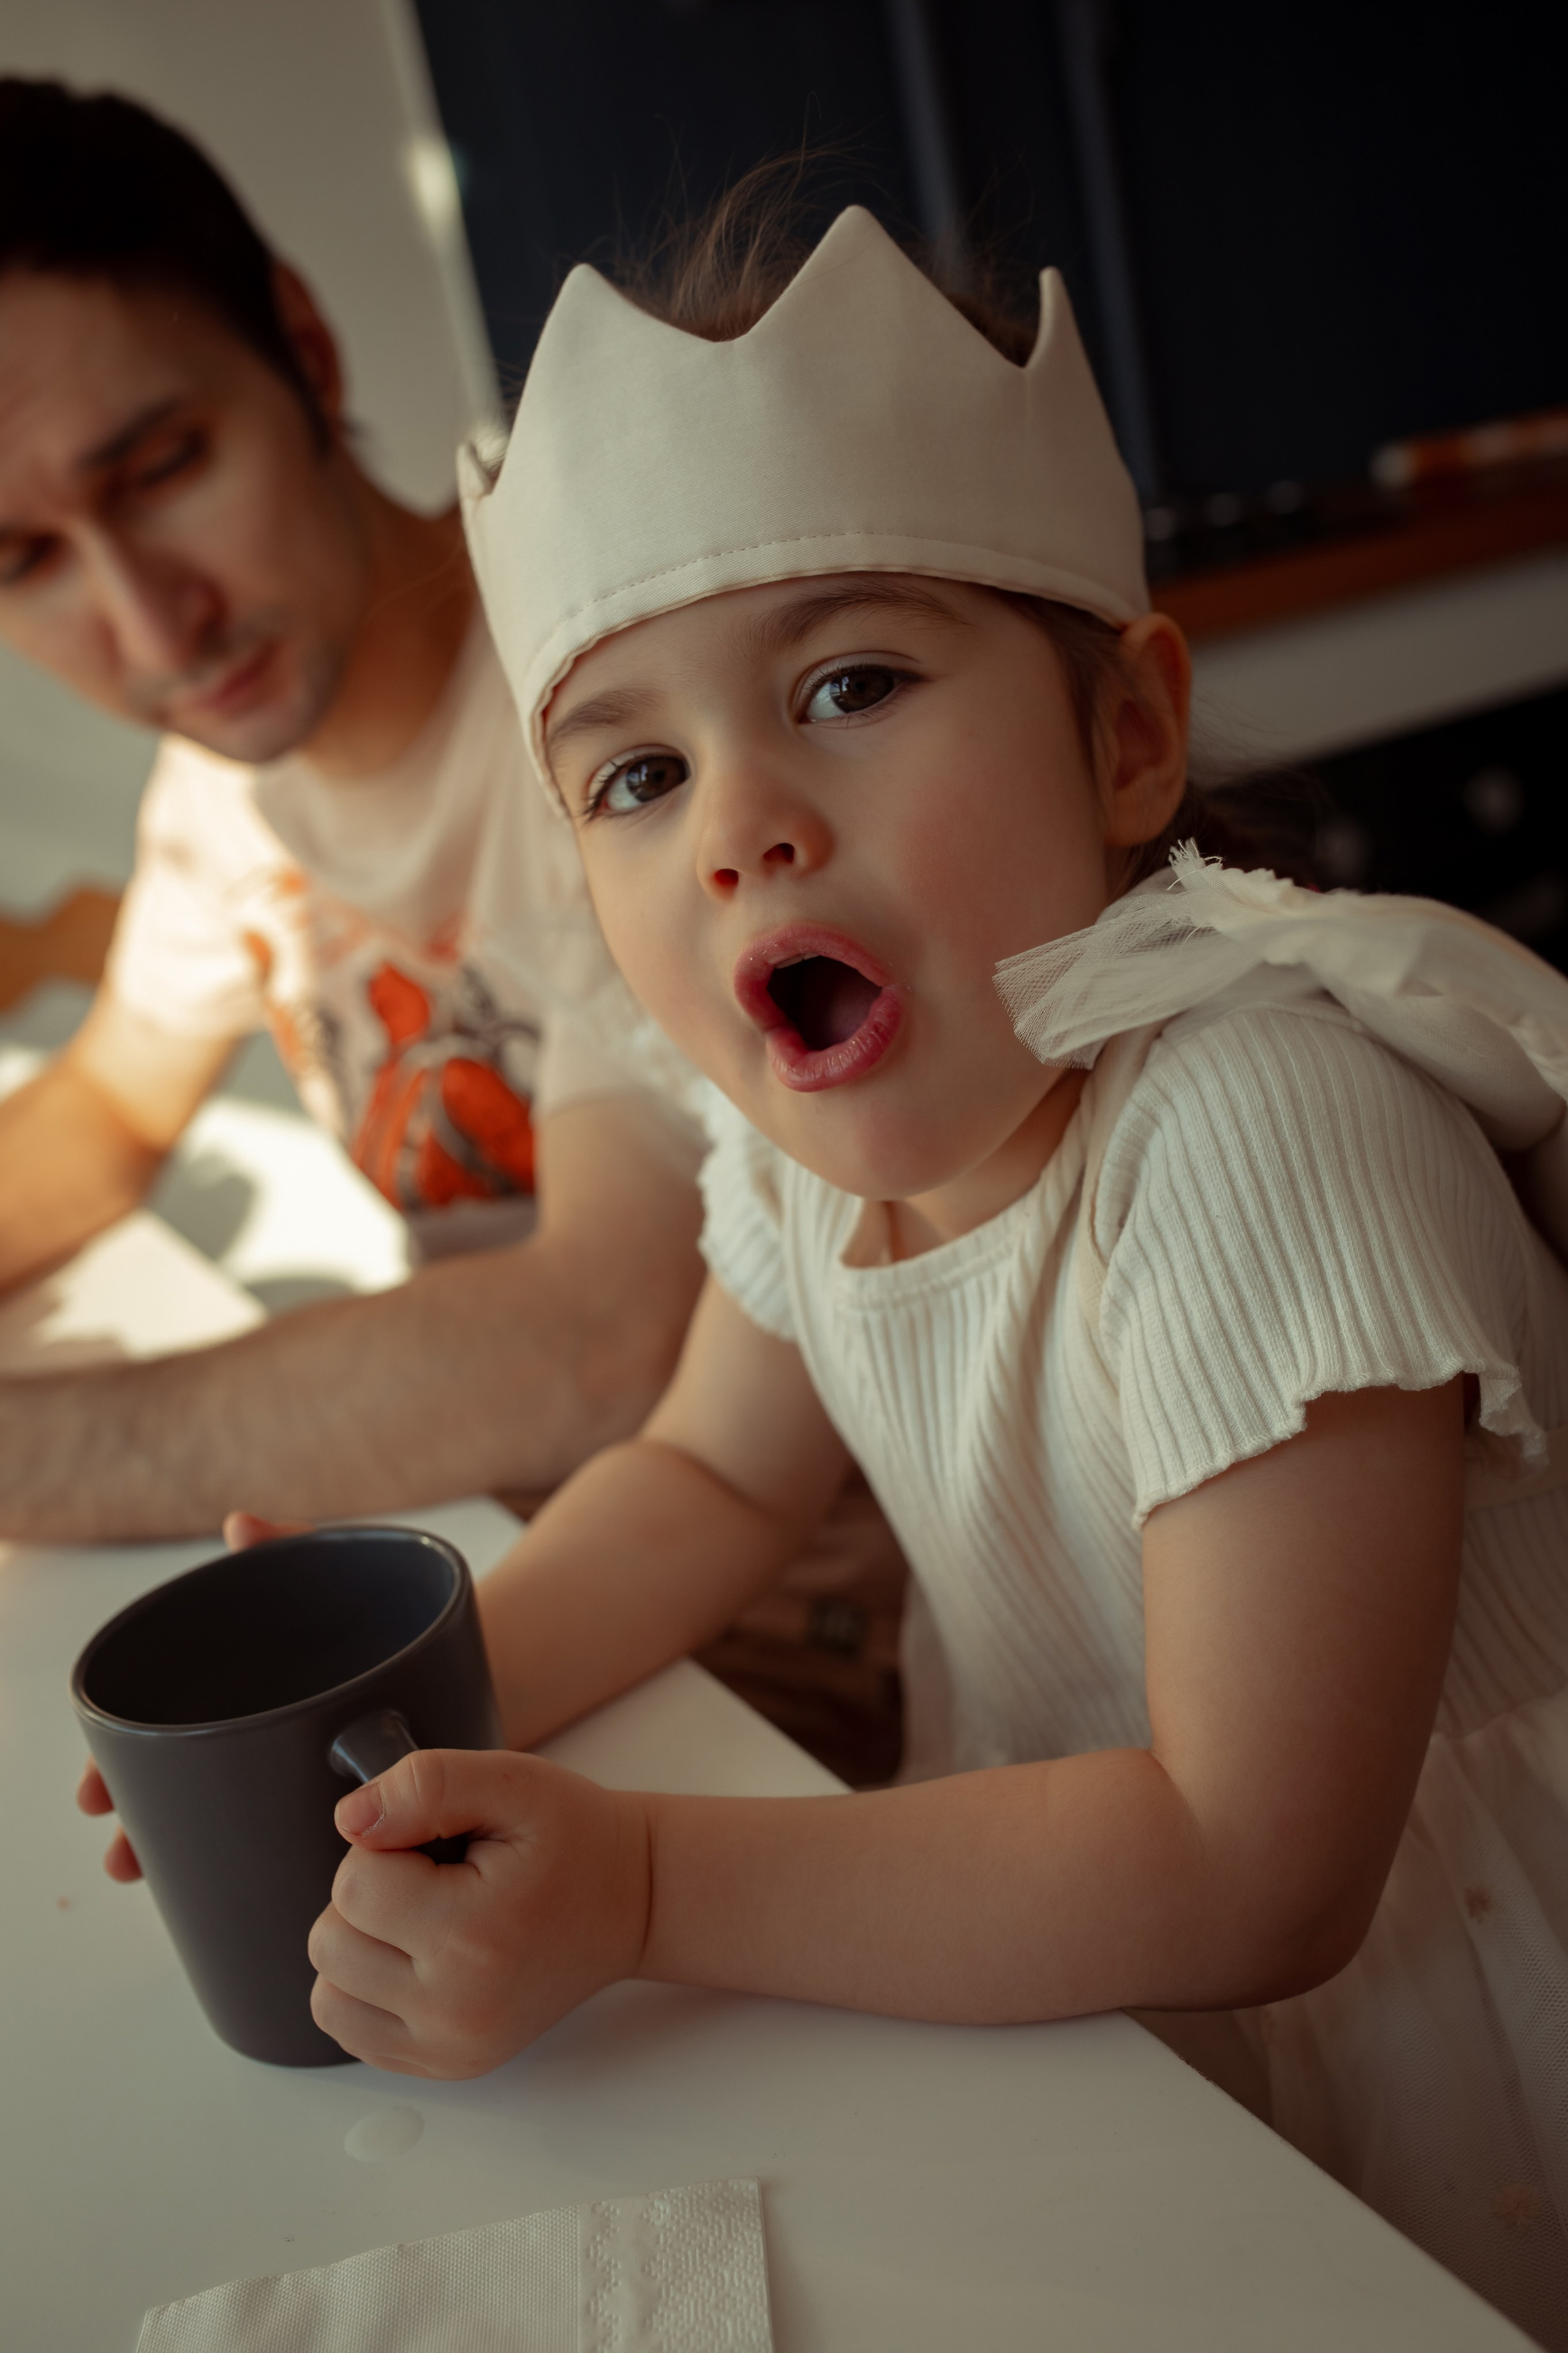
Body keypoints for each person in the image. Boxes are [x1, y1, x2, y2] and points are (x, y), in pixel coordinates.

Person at [241, 191, 1568, 2340]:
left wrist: (644, 1883)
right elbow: (709, 1479)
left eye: (850, 683)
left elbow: (1259, 1862)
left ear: (1128, 738)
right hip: (1069, 1935)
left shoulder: (1256, 1131)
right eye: (639, 772)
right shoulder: (795, 1155)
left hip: (1452, 2004)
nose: (738, 824)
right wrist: (400, 1702)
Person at [0, 80, 706, 1541]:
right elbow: (117, 1105)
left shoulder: (613, 687)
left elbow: (599, 1337)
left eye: (164, 468)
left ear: (304, 352)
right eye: (24, 562)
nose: (152, 626)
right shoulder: (226, 774)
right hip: (493, 1540)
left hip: (790, 1634)